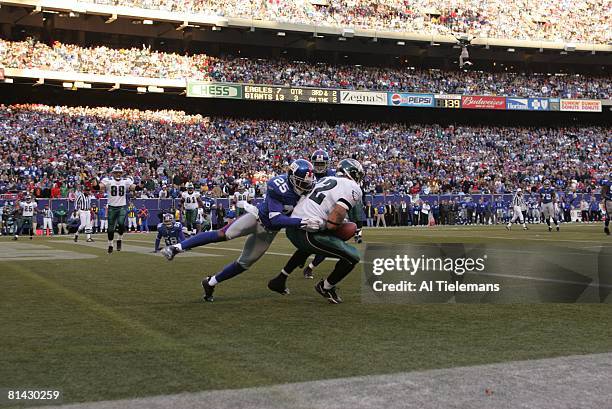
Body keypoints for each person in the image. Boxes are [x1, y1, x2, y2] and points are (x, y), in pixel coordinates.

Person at [161, 159, 318, 302]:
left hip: (269, 232)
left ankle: (210, 282)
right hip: (256, 219)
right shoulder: (278, 186)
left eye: (307, 183)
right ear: (291, 178)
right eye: (301, 182)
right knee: (223, 234)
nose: (306, 186)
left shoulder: (308, 189)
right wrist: (302, 222)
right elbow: (276, 219)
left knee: (244, 263)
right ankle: (176, 248)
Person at [268, 159, 364, 304]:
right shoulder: (353, 186)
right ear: (352, 174)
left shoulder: (326, 179)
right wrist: (336, 227)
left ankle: (280, 279)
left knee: (311, 243)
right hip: (306, 232)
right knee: (353, 256)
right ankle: (325, 287)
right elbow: (335, 217)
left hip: (294, 226)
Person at [100, 164, 136, 253]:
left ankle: (119, 239)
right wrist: (95, 184)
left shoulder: (125, 181)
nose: (118, 174)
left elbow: (133, 187)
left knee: (121, 224)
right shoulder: (108, 181)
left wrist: (139, 186)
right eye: (116, 173)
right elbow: (100, 187)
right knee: (110, 229)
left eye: (119, 172)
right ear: (113, 173)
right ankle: (110, 244)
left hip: (122, 206)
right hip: (111, 206)